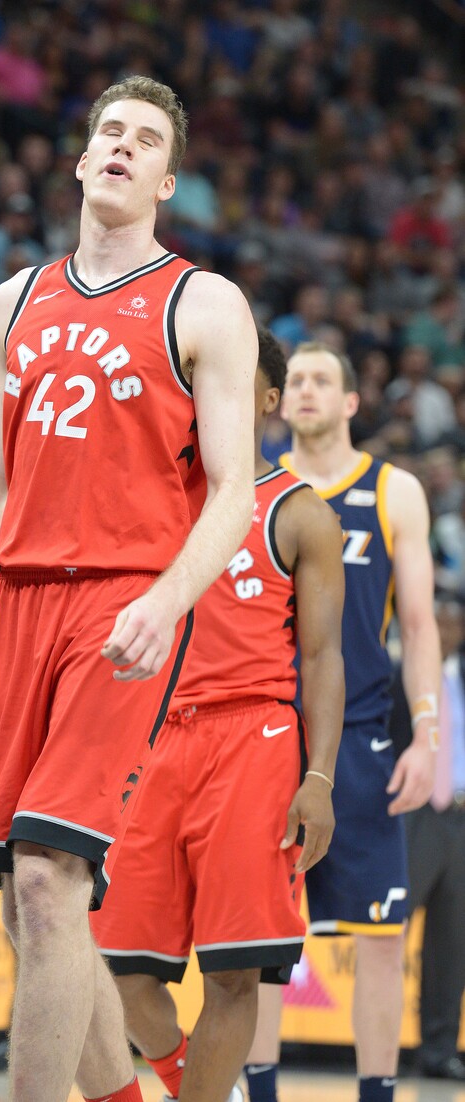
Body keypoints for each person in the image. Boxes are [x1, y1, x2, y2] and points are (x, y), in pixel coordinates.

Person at [0, 75, 257, 1102]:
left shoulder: (204, 302)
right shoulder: (15, 302)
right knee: (28, 902)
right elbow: (0, 494)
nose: (123, 148)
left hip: (124, 603)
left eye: (145, 140)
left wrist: (168, 596)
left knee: (51, 880)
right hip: (20, 609)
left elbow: (230, 490)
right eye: (110, 134)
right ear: (83, 159)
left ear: (167, 180)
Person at [89, 327, 346, 1102]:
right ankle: (192, 1084)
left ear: (266, 397)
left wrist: (321, 776)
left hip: (253, 739)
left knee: (234, 973)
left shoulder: (302, 514)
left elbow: (325, 658)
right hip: (148, 737)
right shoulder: (147, 495)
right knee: (111, 969)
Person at [247, 342, 441, 1102]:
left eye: (321, 380)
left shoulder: (393, 492)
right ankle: (256, 1091)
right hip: (265, 733)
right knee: (256, 943)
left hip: (361, 736)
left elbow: (420, 628)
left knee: (383, 940)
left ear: (353, 403)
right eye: (293, 379)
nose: (303, 390)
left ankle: (378, 1095)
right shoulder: (253, 489)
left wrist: (426, 733)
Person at [391, 598, 465, 1081]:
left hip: (458, 818)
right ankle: (376, 1045)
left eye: (455, 618)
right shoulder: (401, 674)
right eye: (437, 615)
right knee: (388, 934)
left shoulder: (459, 680)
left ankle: (439, 1051)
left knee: (451, 941)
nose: (447, 625)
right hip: (412, 813)